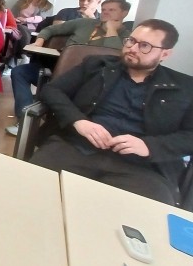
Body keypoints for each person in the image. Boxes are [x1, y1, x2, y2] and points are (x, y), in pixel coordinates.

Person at [30, 19, 193, 205]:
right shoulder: (98, 66)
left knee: (142, 215)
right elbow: (52, 90)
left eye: (145, 46)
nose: (132, 48)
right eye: (131, 40)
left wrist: (149, 146)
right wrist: (78, 120)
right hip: (77, 148)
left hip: (141, 168)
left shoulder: (185, 87)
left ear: (165, 53)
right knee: (33, 191)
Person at [7, 0, 132, 136]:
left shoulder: (127, 38)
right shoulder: (85, 23)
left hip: (89, 81)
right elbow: (50, 29)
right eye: (104, 10)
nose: (105, 13)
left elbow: (115, 57)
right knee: (20, 72)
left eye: (112, 10)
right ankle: (24, 120)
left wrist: (111, 31)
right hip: (59, 70)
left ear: (124, 13)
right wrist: (39, 42)